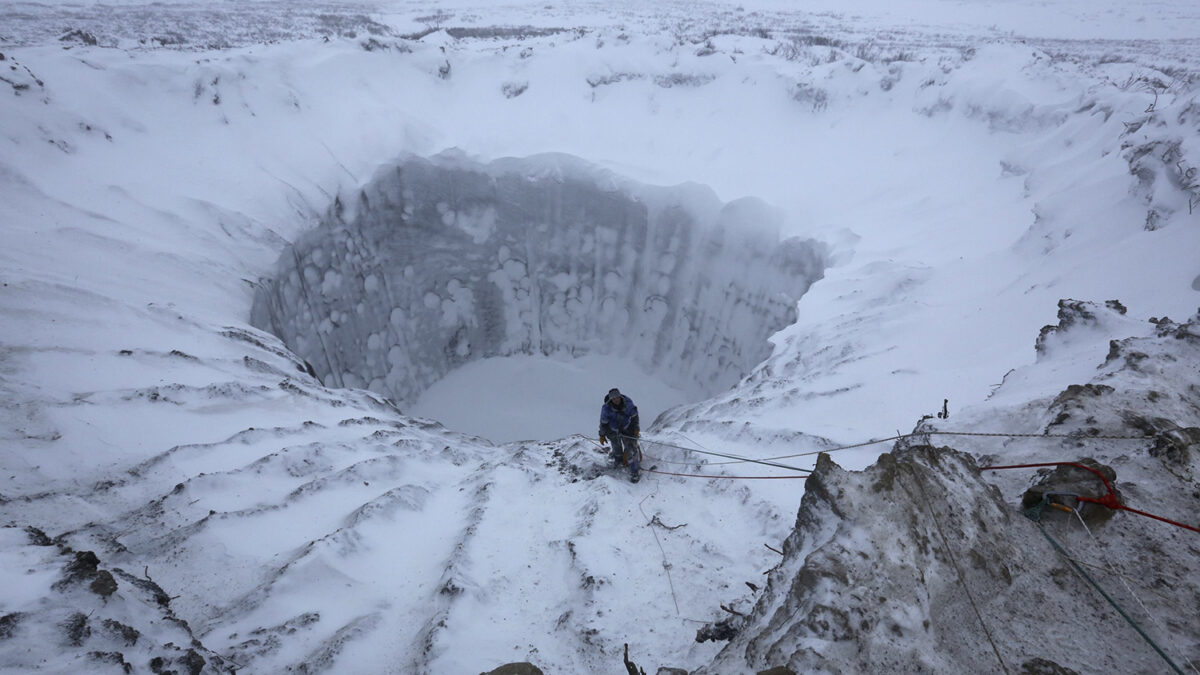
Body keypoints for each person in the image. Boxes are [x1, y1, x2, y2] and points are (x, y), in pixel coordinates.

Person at [599, 388, 640, 483]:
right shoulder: (606, 408)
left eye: (617, 397)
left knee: (631, 448)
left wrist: (636, 428)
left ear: (620, 396)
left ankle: (634, 471)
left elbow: (635, 417)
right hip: (613, 429)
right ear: (611, 400)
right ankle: (619, 460)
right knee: (616, 446)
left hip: (627, 427)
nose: (616, 400)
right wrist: (602, 435)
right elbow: (603, 423)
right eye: (614, 398)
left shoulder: (628, 404)